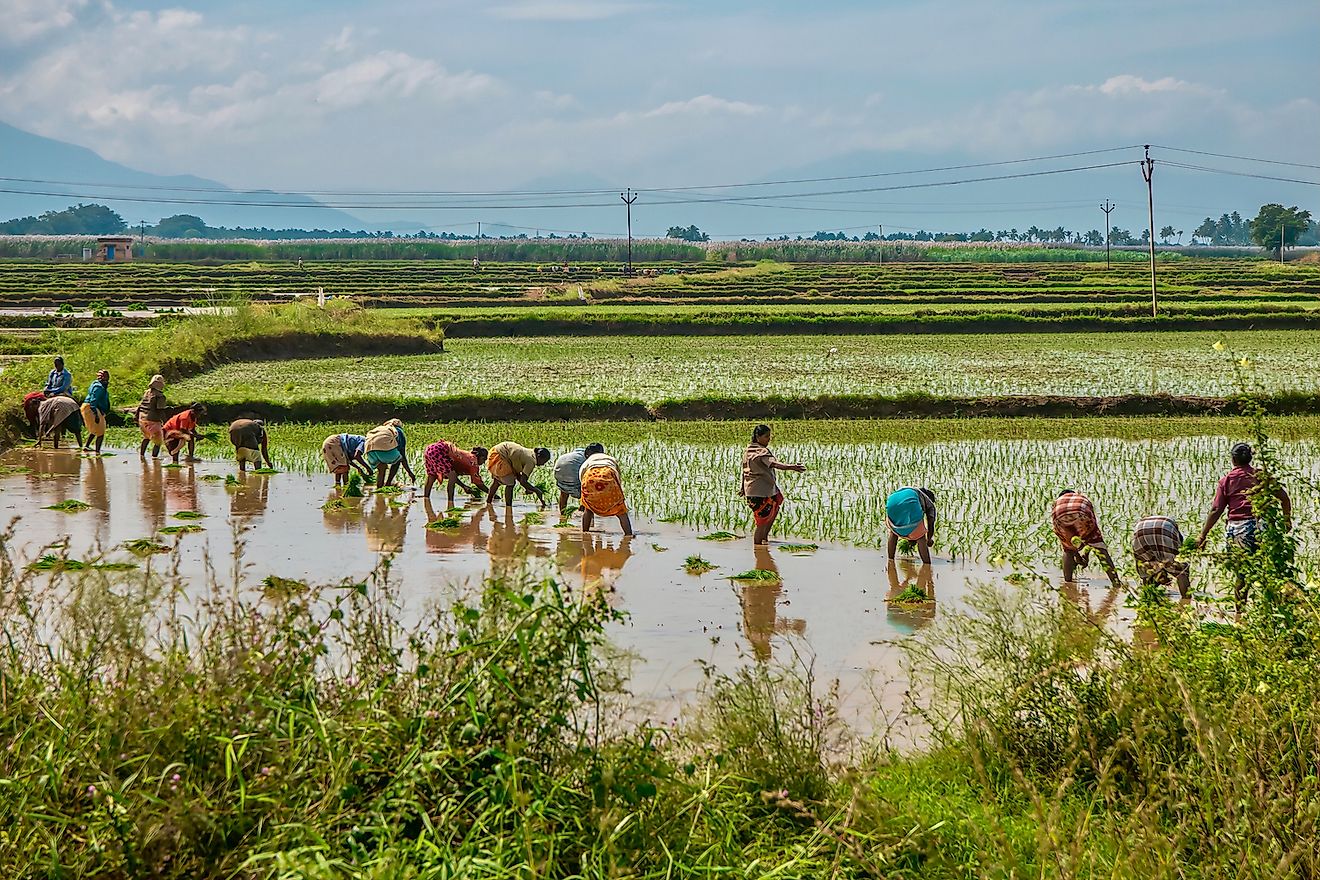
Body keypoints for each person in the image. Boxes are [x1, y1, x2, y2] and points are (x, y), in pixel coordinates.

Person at [1196, 442, 1292, 603]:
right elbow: (1284, 498)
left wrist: (1202, 535)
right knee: (1268, 570)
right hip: (1262, 527)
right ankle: (1272, 608)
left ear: (1233, 459)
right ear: (1250, 458)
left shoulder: (1227, 480)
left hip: (1238, 530)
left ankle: (1239, 613)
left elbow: (1216, 509)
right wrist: (1286, 521)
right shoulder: (1262, 476)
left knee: (1242, 574)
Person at [739, 424, 806, 546]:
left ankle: (764, 539)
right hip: (761, 492)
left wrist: (743, 487)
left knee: (778, 499)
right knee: (761, 522)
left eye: (769, 437)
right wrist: (791, 467)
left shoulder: (748, 450)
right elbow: (774, 464)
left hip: (756, 490)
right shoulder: (761, 451)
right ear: (758, 437)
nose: (769, 439)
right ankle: (758, 549)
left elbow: (745, 471)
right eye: (766, 437)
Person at [1050, 489, 1121, 589]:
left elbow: (1073, 542)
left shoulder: (1057, 502)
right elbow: (1088, 537)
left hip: (1059, 514)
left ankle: (1068, 582)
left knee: (1068, 550)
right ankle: (1116, 583)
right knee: (1099, 547)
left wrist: (1081, 558)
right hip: (1081, 512)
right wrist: (1083, 558)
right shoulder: (1081, 498)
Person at [1133, 515, 1191, 599]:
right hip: (1165, 528)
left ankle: (1148, 597)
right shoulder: (1178, 537)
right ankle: (1186, 599)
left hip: (1140, 529)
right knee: (1180, 571)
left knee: (1146, 568)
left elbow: (1158, 567)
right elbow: (1170, 564)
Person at [579, 449, 633, 536]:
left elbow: (582, 476)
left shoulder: (588, 461)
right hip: (608, 474)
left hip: (590, 476)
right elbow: (617, 475)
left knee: (588, 508)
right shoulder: (610, 459)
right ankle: (628, 534)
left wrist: (585, 495)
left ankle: (585, 532)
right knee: (621, 511)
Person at [422, 439, 488, 506]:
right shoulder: (474, 463)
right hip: (439, 450)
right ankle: (450, 502)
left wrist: (464, 486)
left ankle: (426, 498)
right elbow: (478, 483)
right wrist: (491, 493)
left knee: (432, 476)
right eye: (484, 459)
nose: (483, 462)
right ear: (481, 457)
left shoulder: (468, 455)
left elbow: (453, 475)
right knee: (452, 476)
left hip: (429, 449)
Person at [485, 441, 550, 507]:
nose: (543, 464)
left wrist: (527, 488)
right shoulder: (531, 461)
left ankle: (488, 502)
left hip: (494, 452)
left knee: (496, 482)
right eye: (544, 461)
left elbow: (518, 475)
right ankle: (508, 507)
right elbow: (523, 481)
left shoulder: (530, 453)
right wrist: (537, 490)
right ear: (539, 457)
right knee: (510, 484)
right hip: (500, 457)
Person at [885, 487, 937, 564]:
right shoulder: (930, 504)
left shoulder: (908, 490)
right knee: (921, 537)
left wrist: (911, 539)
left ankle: (890, 560)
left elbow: (906, 514)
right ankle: (927, 564)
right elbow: (931, 523)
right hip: (910, 504)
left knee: (893, 532)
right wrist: (929, 539)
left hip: (891, 502)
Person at [554, 443, 604, 516]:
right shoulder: (591, 458)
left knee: (564, 493)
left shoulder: (578, 453)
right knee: (588, 492)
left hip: (558, 468)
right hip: (573, 472)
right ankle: (587, 516)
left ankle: (562, 515)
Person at [364, 419, 416, 487]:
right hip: (381, 447)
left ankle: (379, 487)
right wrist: (410, 473)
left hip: (369, 449)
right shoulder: (398, 430)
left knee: (381, 468)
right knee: (398, 459)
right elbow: (402, 454)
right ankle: (388, 483)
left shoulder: (382, 428)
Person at [137, 375, 171, 458]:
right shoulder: (160, 396)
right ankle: (154, 458)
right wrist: (166, 422)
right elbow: (160, 410)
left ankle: (141, 456)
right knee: (158, 442)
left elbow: (140, 406)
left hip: (142, 419)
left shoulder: (147, 393)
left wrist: (136, 416)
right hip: (153, 420)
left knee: (146, 437)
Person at [80, 370, 111, 454]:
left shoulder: (98, 385)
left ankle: (86, 446)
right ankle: (98, 452)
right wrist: (95, 414)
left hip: (92, 407)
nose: (106, 380)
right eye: (104, 378)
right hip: (91, 408)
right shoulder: (98, 387)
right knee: (101, 432)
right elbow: (93, 400)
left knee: (95, 429)